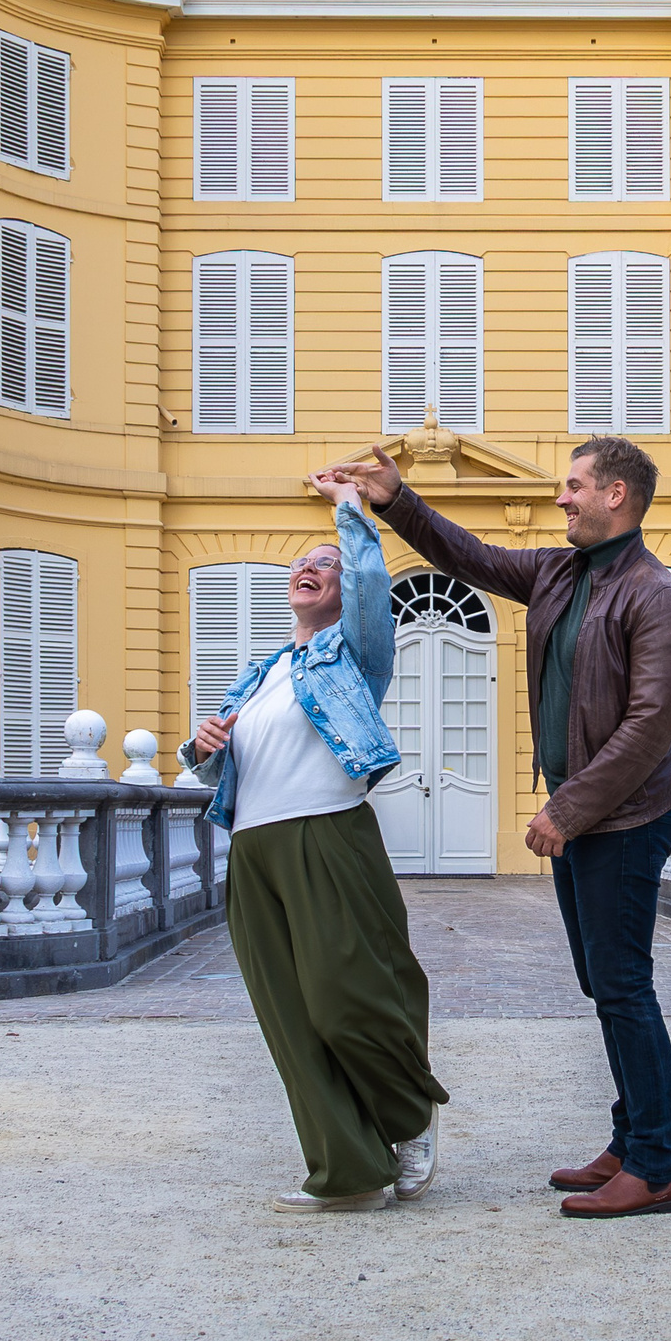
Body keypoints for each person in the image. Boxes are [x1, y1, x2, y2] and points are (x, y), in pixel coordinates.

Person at [342, 435, 671, 1218]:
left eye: (574, 486)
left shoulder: (656, 597)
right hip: (586, 817)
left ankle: (658, 1164)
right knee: (604, 985)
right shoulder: (559, 572)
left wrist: (564, 811)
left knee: (623, 986)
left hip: (625, 820)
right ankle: (631, 1136)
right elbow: (467, 555)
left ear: (617, 495)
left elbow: (646, 730)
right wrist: (396, 499)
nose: (562, 498)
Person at [180, 471, 450, 1213]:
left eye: (324, 562)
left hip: (327, 836)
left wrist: (348, 513)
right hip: (254, 850)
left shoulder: (353, 655)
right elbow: (218, 763)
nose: (311, 567)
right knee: (291, 1021)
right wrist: (203, 748)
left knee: (343, 999)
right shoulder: (262, 673)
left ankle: (406, 1117)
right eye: (302, 562)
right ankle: (350, 1171)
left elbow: (368, 580)